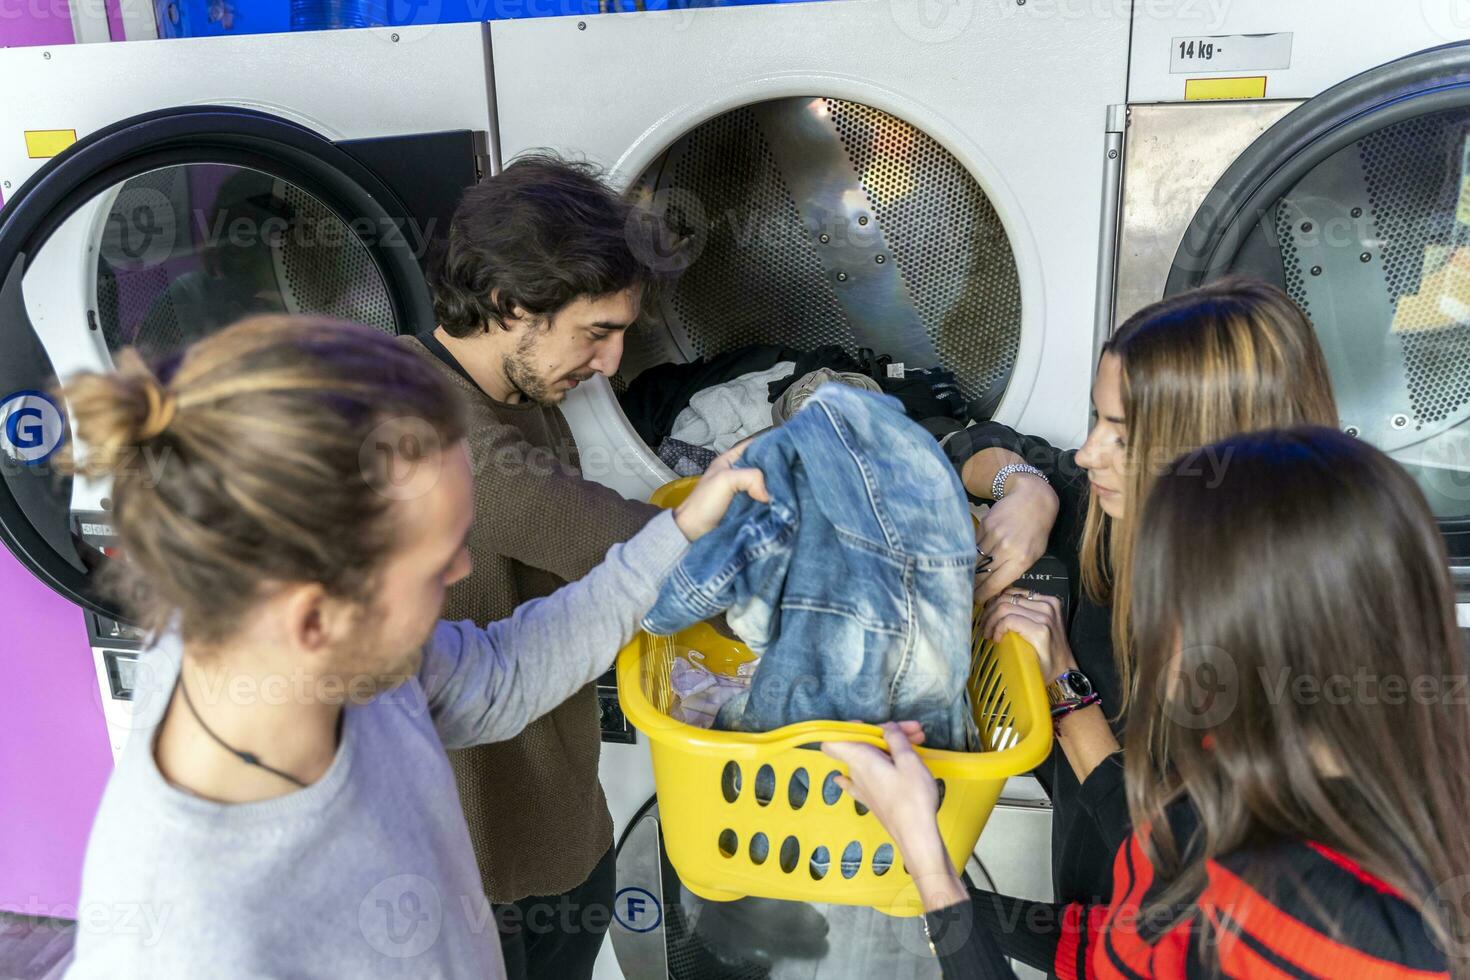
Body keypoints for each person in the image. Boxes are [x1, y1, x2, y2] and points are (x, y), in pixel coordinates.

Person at [60, 315, 765, 978]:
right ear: (313, 619)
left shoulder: (297, 647)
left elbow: (500, 674)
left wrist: (681, 532)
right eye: (437, 564)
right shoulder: (199, 936)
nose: (460, 572)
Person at [827, 427, 1470, 978]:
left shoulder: (1308, 921)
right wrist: (928, 870)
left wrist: (931, 867)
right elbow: (1144, 900)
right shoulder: (1314, 766)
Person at [946, 278, 1338, 905]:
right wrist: (1026, 488)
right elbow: (965, 440)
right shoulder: (1107, 519)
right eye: (1095, 418)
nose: (1089, 452)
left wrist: (1066, 690)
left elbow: (1175, 875)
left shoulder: (1293, 654)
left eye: (1122, 435)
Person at [402, 152, 671, 979]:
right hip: (485, 873)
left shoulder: (513, 393)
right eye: (597, 332)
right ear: (509, 303)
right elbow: (629, 550)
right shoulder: (438, 428)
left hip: (557, 825)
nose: (612, 363)